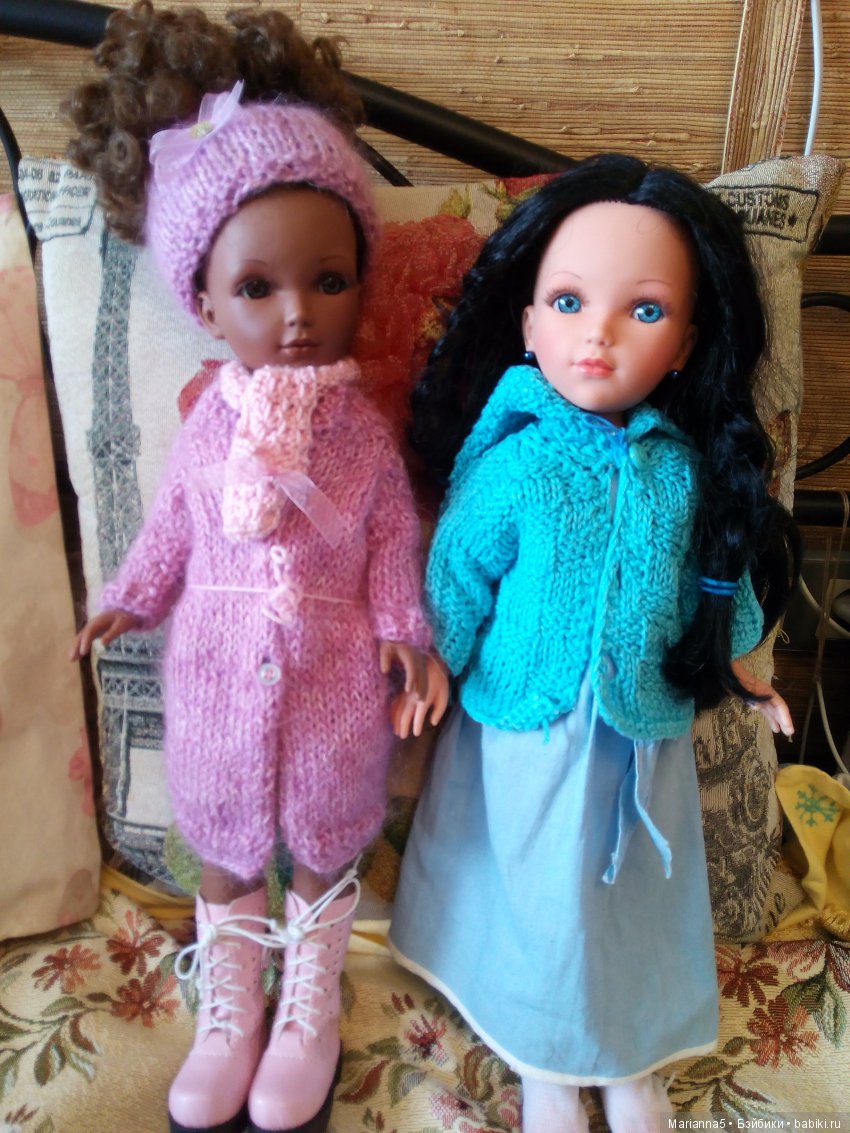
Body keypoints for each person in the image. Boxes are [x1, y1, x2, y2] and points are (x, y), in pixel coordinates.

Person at [68, 6, 437, 1133]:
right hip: (218, 672)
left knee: (325, 834)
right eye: (258, 289)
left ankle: (308, 1004)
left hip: (332, 678)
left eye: (328, 280)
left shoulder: (360, 436)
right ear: (204, 300)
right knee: (222, 845)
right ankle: (228, 1011)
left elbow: (391, 536)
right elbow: (173, 529)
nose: (297, 315)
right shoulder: (206, 424)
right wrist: (128, 597)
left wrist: (403, 631)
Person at [389, 153, 800, 1133]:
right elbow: (457, 571)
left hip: (639, 743)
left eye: (643, 310)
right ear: (530, 323)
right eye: (569, 302)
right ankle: (545, 1059)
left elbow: (713, 583)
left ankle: (624, 1051)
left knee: (627, 906)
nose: (598, 334)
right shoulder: (516, 465)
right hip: (526, 736)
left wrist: (747, 670)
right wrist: (429, 658)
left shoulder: (683, 472)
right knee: (537, 898)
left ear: (686, 342)